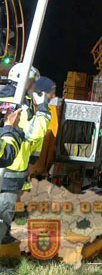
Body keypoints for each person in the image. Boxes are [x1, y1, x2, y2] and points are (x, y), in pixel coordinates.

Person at [0, 66, 45, 244]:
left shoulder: (9, 98)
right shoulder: (19, 104)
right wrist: (44, 110)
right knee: (4, 210)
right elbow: (34, 133)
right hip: (12, 164)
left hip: (13, 161)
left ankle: (5, 235)